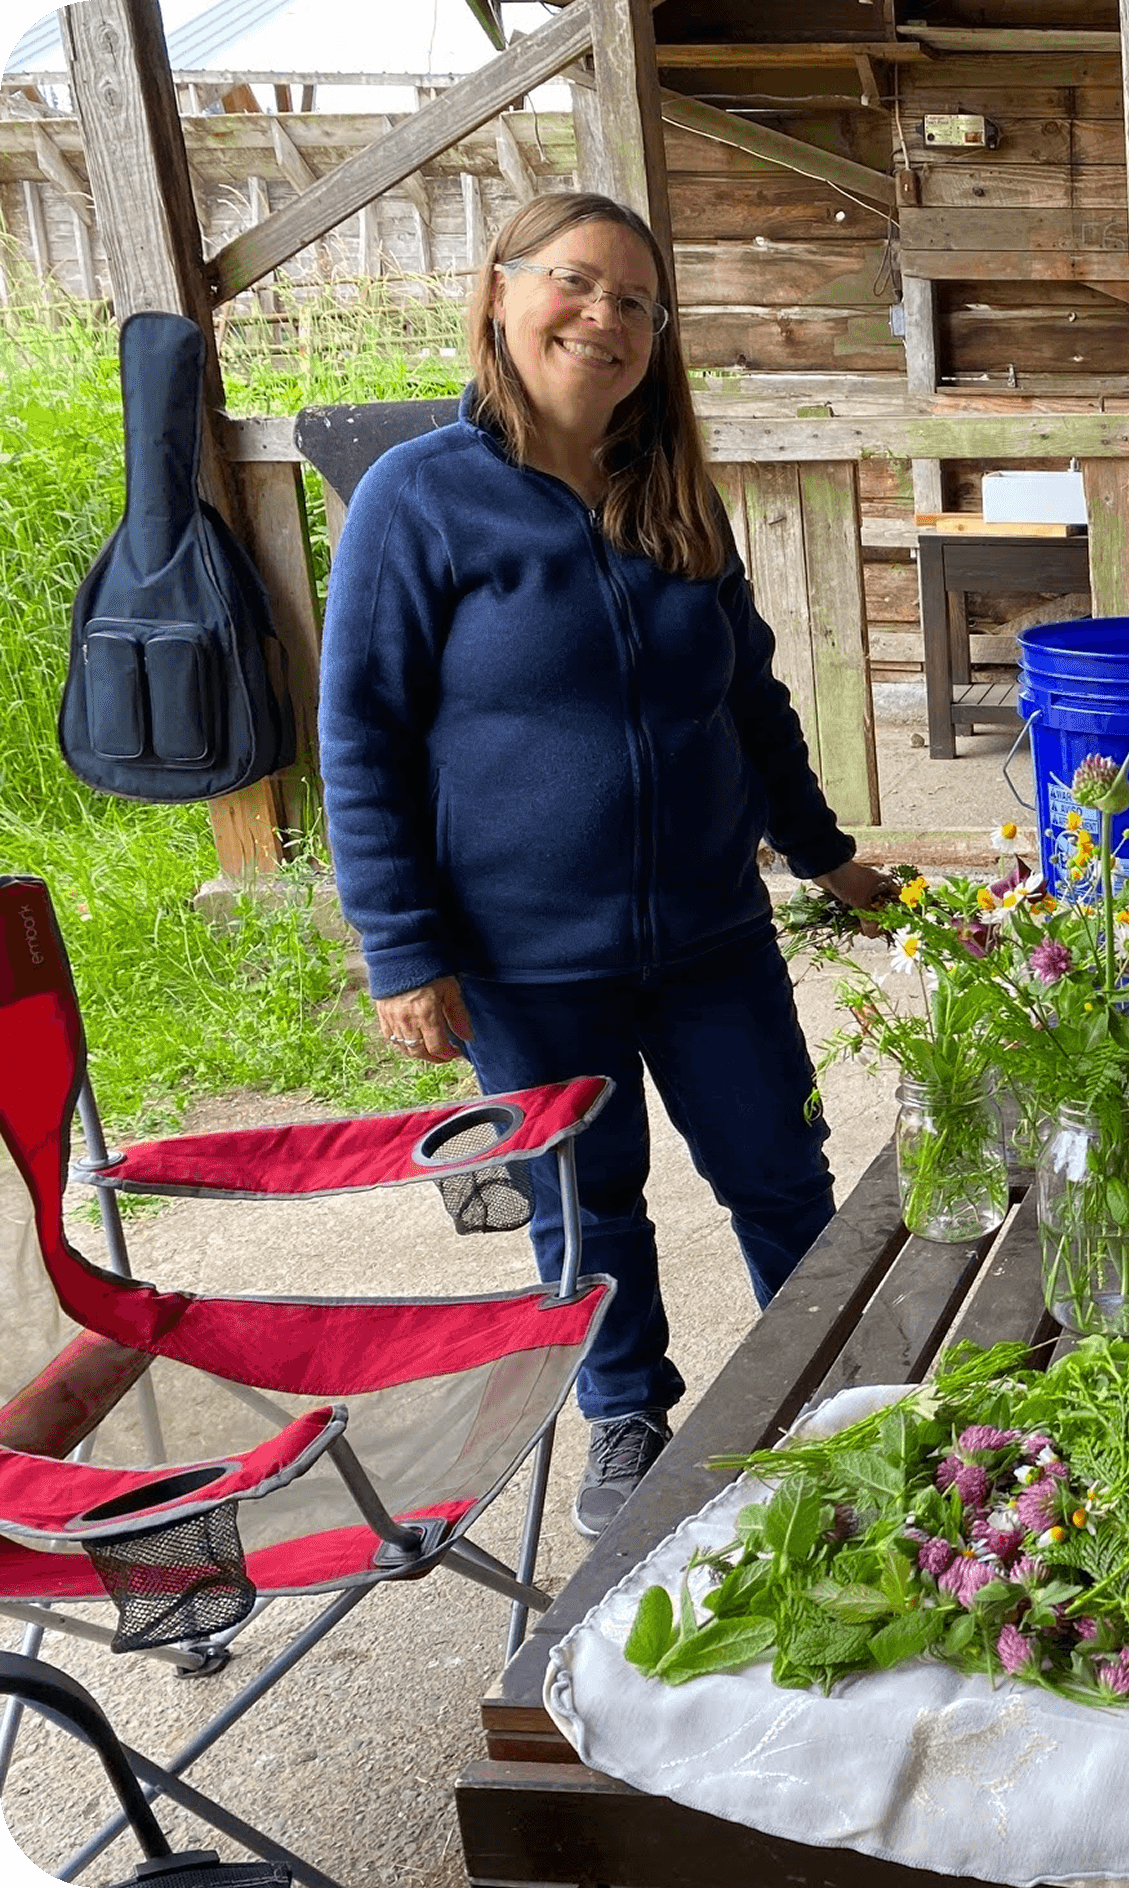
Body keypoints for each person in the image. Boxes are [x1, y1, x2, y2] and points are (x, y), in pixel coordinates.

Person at [320, 192, 892, 1537]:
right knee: (585, 1204)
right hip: (522, 956)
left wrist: (825, 858)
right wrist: (403, 951)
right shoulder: (420, 500)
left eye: (638, 303)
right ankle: (626, 1412)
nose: (607, 320)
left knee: (782, 1174)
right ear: (502, 293)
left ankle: (838, 1396)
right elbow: (363, 738)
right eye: (579, 285)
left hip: (711, 937)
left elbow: (750, 707)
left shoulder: (673, 493)